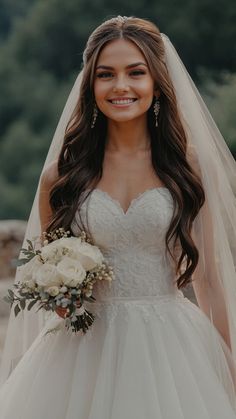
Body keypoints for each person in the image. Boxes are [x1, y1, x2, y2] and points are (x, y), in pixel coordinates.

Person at [0, 15, 236, 419]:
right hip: (81, 348)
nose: (121, 86)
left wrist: (230, 361)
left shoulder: (187, 167)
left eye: (136, 73)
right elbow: (46, 269)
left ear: (157, 83)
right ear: (90, 85)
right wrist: (59, 294)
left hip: (171, 346)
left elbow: (209, 278)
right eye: (106, 74)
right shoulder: (61, 175)